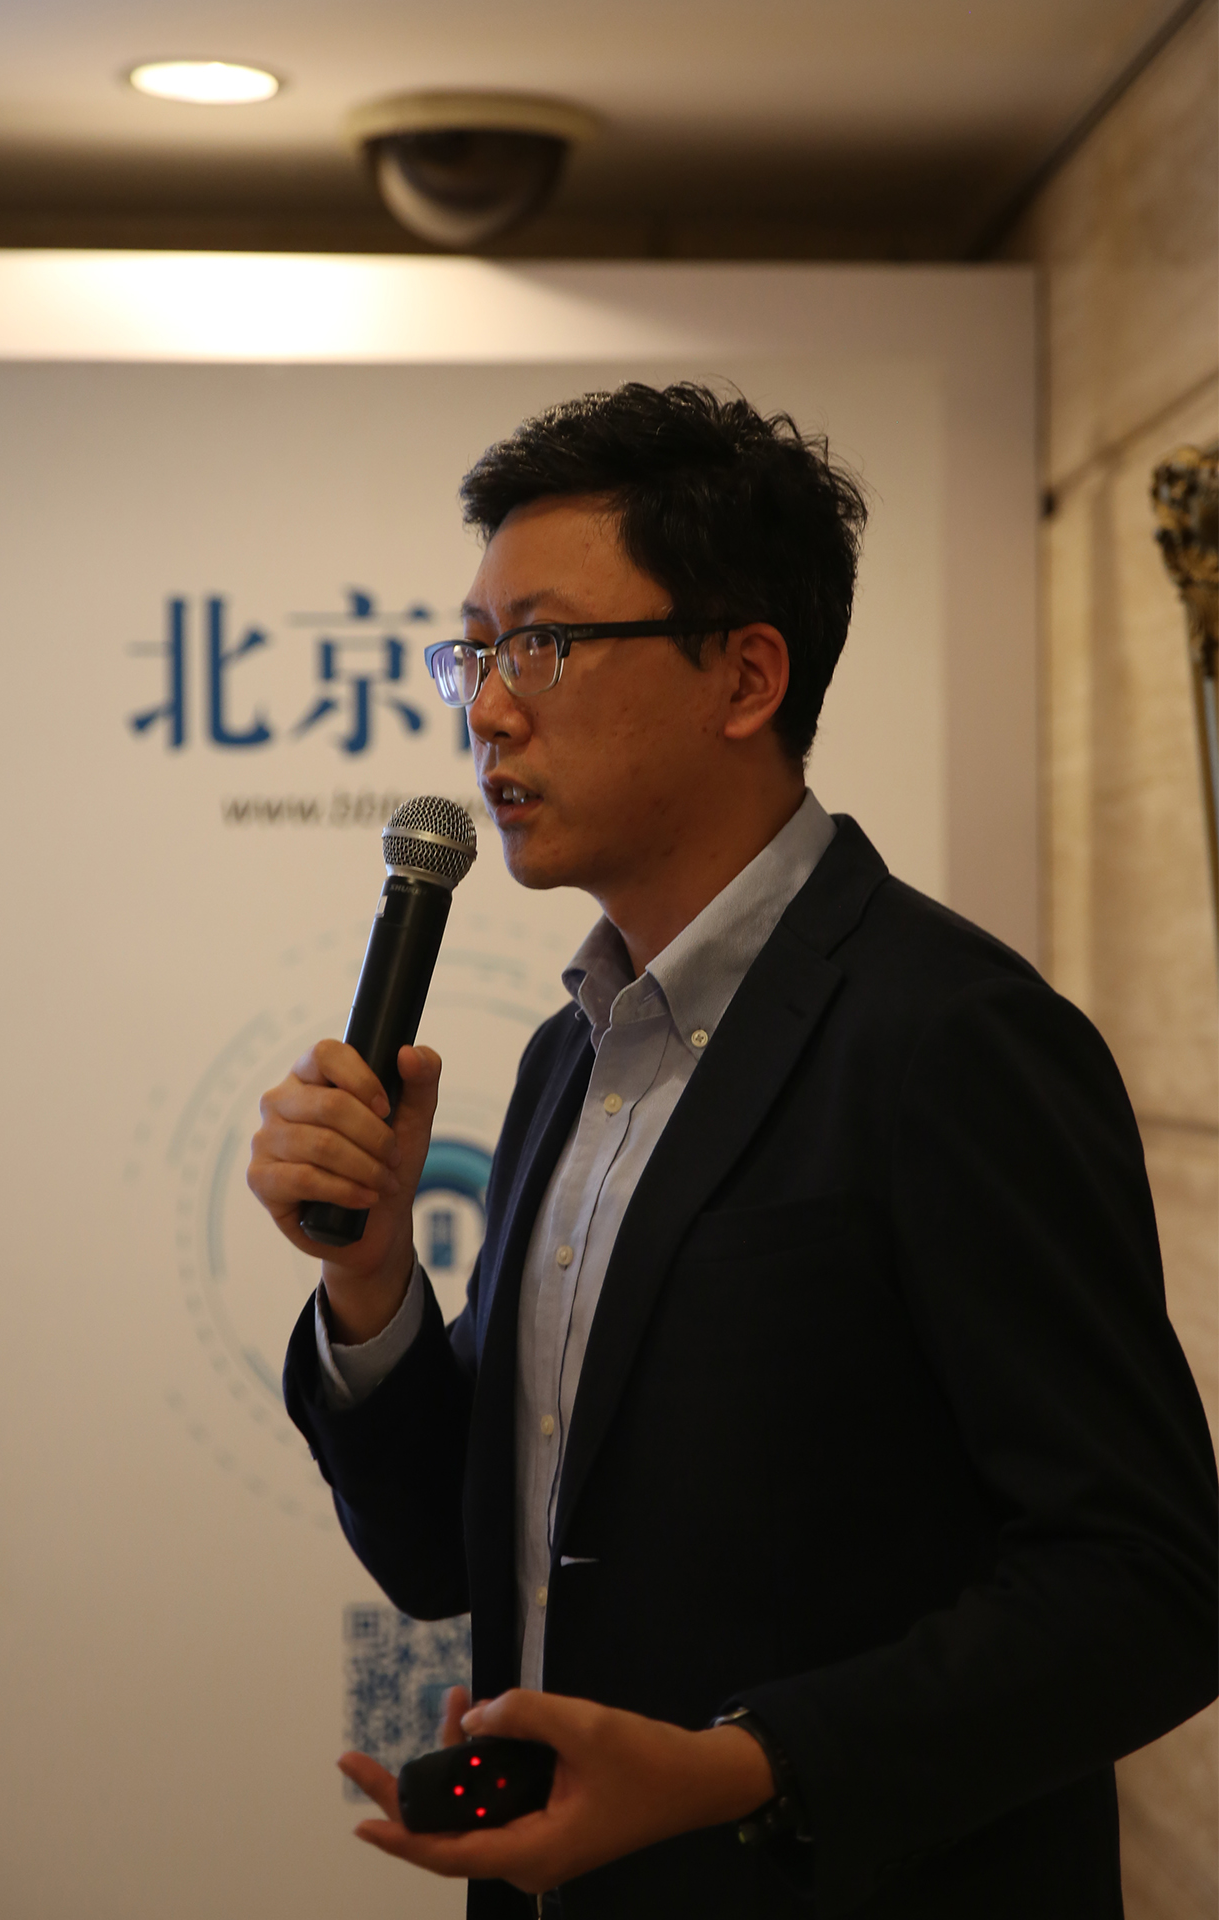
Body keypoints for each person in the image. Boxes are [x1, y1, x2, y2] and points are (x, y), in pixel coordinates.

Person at [247, 383, 1217, 1919]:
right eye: (474, 654)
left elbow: (1149, 1588)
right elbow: (448, 1556)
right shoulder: (571, 1054)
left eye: (544, 647)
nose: (487, 711)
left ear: (747, 675)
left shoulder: (952, 1037)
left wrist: (750, 1768)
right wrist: (368, 1278)